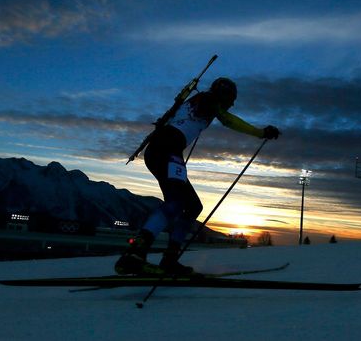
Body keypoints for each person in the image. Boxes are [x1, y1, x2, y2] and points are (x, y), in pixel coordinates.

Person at [115, 77, 280, 275]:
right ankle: (134, 255)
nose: (232, 104)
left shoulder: (198, 101)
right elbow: (228, 120)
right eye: (231, 99)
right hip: (167, 150)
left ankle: (168, 259)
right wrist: (260, 133)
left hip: (163, 150)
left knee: (192, 206)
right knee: (176, 202)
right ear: (224, 95)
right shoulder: (209, 100)